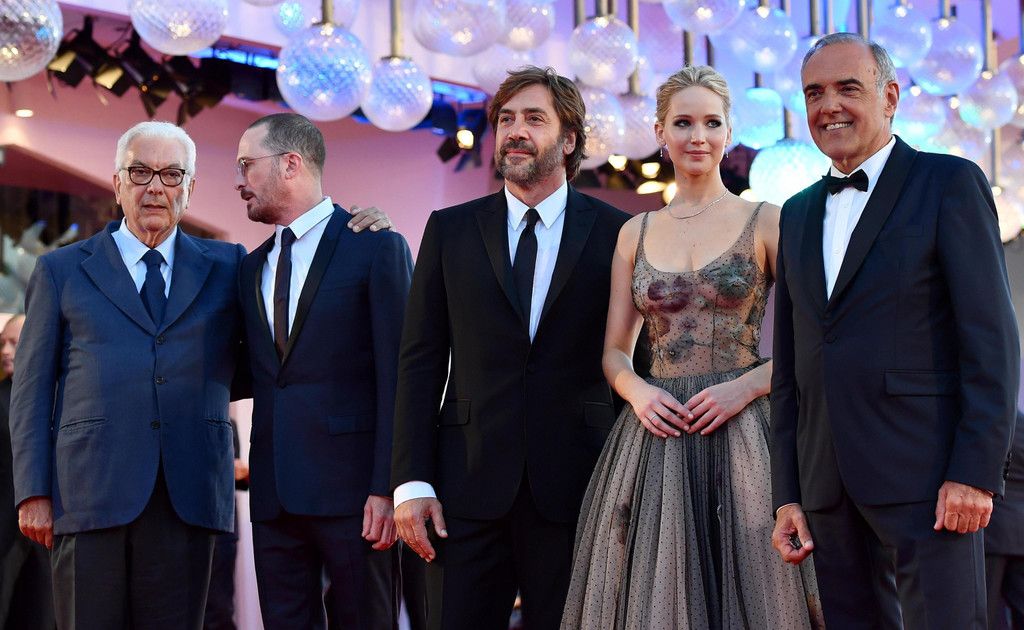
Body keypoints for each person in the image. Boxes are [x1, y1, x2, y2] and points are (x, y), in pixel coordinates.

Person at [770, 33, 1019, 629]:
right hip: (826, 485)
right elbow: (791, 366)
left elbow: (991, 341)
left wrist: (975, 472)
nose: (829, 105)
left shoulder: (948, 183)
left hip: (929, 477)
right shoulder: (796, 212)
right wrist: (789, 493)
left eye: (847, 88)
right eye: (814, 93)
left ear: (889, 97)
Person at [561, 65, 823, 629]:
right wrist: (637, 393)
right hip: (658, 432)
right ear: (661, 132)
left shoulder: (767, 221)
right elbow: (614, 351)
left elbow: (816, 340)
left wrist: (745, 387)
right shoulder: (634, 232)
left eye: (711, 123)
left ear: (729, 131)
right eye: (683, 123)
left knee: (757, 586)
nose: (697, 136)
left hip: (745, 428)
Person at [391, 66, 630, 630]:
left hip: (580, 488)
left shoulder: (619, 234)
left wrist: (632, 486)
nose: (515, 131)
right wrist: (411, 481)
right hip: (463, 491)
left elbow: (635, 362)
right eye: (506, 119)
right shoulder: (449, 229)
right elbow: (420, 360)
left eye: (534, 119)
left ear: (569, 141)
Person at [11, 121, 248, 629]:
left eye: (171, 174)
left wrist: (355, 227)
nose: (155, 186)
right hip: (87, 495)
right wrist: (33, 491)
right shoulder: (60, 270)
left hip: (189, 496)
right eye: (140, 172)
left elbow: (281, 322)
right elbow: (30, 392)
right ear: (117, 183)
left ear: (190, 188)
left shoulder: (229, 267)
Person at [236, 112, 412, 630]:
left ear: (290, 163)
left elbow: (400, 377)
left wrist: (389, 487)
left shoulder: (376, 246)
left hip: (357, 497)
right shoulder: (249, 267)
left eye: (247, 164)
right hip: (273, 495)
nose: (240, 179)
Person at [0, 314, 55, 629]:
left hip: (47, 533)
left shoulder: (59, 398)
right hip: (5, 532)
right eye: (2, 343)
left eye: (14, 343)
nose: (5, 351)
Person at [986, 410, 1024, 629]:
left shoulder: (993, 424)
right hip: (1019, 534)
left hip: (990, 533)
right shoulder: (1020, 424)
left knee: (985, 614)